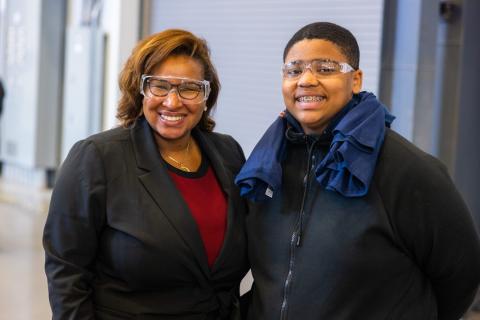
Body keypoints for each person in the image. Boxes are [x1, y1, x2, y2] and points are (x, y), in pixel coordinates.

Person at [235, 22, 480, 320]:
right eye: (294, 70)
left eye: (325, 68)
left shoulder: (408, 170)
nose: (306, 80)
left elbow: (461, 274)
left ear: (356, 80)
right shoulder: (267, 166)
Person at [43, 29, 249, 319]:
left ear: (205, 95)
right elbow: (66, 271)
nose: (173, 102)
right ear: (139, 90)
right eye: (159, 86)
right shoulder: (97, 157)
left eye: (189, 88)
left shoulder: (228, 153)